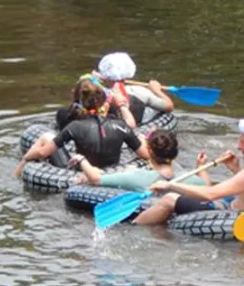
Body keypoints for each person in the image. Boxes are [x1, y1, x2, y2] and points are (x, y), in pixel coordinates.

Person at [133, 119, 244, 225]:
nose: (239, 147)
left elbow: (210, 194)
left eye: (243, 142)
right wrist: (236, 170)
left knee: (169, 199)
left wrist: (170, 186)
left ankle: (133, 227)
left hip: (236, 218)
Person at [14, 78, 149, 177]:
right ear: (105, 104)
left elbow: (43, 153)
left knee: (47, 137)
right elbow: (145, 155)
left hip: (82, 172)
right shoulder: (121, 125)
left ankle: (18, 170)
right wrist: (143, 140)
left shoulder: (75, 126)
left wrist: (27, 158)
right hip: (113, 170)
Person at [73, 129, 211, 191]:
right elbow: (208, 188)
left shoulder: (137, 176)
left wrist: (81, 159)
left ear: (149, 151)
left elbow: (96, 179)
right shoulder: (189, 178)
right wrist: (201, 167)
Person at [93, 52, 174, 129]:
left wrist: (95, 79)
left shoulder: (96, 92)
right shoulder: (139, 91)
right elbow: (169, 106)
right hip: (135, 127)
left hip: (107, 128)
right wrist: (157, 91)